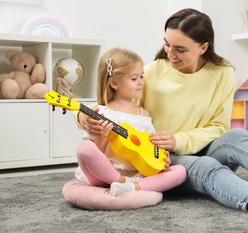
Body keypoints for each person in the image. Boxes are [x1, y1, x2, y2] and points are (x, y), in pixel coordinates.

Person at [77, 9, 248, 221]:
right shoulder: (152, 72)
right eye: (167, 45)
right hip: (161, 162)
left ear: (203, 47)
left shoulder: (222, 74)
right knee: (206, 168)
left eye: (180, 49)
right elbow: (110, 105)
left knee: (238, 137)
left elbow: (217, 128)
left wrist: (180, 138)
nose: (170, 54)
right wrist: (84, 119)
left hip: (195, 146)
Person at [74, 47, 186, 197]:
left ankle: (131, 187)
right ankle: (121, 182)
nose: (140, 82)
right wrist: (101, 137)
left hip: (138, 174)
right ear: (114, 83)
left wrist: (161, 159)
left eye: (142, 76)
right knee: (85, 148)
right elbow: (96, 154)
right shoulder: (103, 113)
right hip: (107, 174)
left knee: (180, 172)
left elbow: (149, 145)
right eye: (134, 79)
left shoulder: (143, 114)